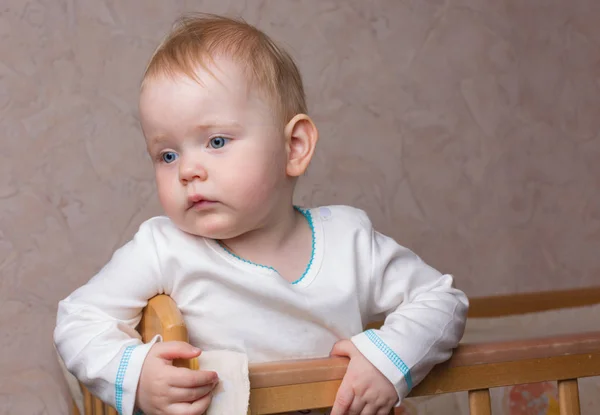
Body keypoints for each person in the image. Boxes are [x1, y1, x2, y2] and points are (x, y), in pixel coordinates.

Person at [54, 13, 469, 415]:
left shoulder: (349, 240)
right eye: (167, 154)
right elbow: (78, 320)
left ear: (294, 147)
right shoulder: (164, 247)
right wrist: (136, 375)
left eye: (216, 141)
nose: (187, 170)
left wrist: (387, 359)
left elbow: (441, 301)